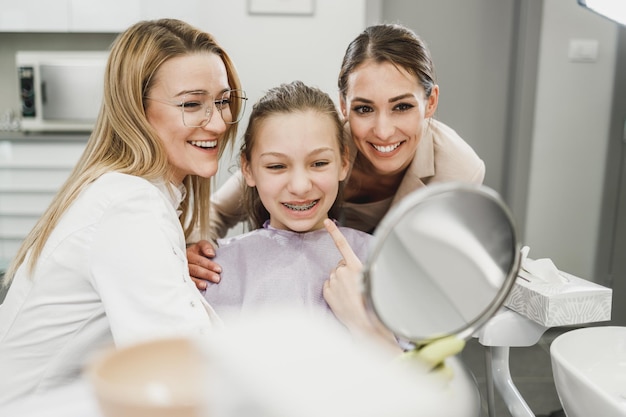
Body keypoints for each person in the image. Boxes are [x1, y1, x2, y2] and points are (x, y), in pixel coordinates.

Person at [0, 18, 247, 404]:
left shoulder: (129, 195)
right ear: (136, 110)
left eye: (223, 100)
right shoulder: (130, 206)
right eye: (191, 104)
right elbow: (183, 374)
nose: (217, 121)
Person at [187, 23, 485, 287]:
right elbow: (216, 213)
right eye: (364, 108)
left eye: (402, 106)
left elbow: (430, 277)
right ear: (343, 104)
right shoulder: (315, 143)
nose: (383, 132)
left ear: (430, 102)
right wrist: (202, 257)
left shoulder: (459, 172)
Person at [202, 81, 376, 330]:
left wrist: (366, 321)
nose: (300, 186)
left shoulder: (377, 260)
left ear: (343, 162)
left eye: (318, 163)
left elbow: (417, 364)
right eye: (276, 166)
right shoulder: (215, 270)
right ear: (248, 169)